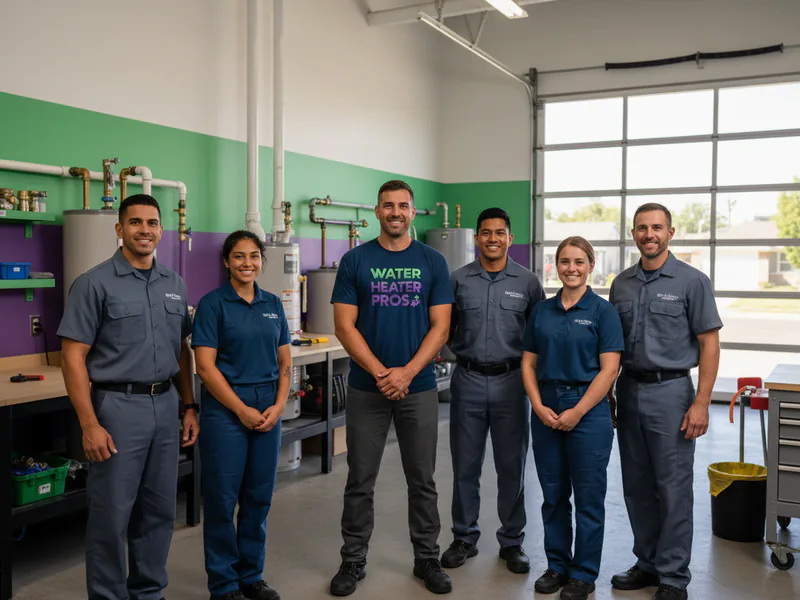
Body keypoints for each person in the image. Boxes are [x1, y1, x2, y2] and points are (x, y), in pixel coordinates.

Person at [58, 194, 199, 600]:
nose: (145, 230)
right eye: (135, 222)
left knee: (157, 512)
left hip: (166, 405)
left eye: (152, 223)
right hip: (117, 409)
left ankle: (149, 593)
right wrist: (89, 423)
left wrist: (189, 406)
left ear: (161, 229)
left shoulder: (175, 284)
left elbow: (182, 350)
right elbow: (73, 358)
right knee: (111, 516)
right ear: (119, 230)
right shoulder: (93, 283)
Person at [328, 180, 454, 596]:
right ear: (377, 212)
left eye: (403, 205)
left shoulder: (433, 261)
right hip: (367, 388)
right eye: (388, 206)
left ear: (413, 212)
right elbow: (344, 326)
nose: (396, 212)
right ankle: (353, 560)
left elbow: (441, 327)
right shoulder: (355, 260)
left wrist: (406, 373)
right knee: (360, 478)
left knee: (422, 479)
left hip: (417, 387)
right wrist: (383, 372)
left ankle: (427, 558)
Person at [609, 203, 722, 600]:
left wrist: (702, 402)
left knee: (672, 487)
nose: (648, 234)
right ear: (634, 234)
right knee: (637, 486)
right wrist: (608, 394)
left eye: (656, 227)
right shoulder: (621, 284)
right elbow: (610, 348)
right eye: (641, 228)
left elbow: (709, 343)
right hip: (629, 388)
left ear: (671, 233)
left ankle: (673, 576)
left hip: (672, 392)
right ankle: (648, 563)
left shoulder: (693, 281)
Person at [441, 207, 544, 574]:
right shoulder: (457, 280)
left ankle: (512, 541)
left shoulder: (529, 283)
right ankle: (464, 537)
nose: (493, 239)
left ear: (510, 238)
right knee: (464, 464)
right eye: (486, 232)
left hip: (512, 383)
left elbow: (538, 336)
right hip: (467, 379)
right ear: (476, 238)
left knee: (511, 466)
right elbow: (444, 328)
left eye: (500, 232)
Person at [521, 236, 624, 600]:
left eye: (579, 262)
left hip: (589, 409)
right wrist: (537, 404)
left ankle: (583, 573)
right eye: (564, 261)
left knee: (589, 496)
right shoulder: (542, 311)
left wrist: (577, 411)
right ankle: (557, 565)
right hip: (546, 405)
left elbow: (610, 369)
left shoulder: (603, 312)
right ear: (555, 266)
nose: (571, 268)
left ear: (591, 266)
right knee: (553, 495)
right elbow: (529, 362)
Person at [192, 230, 292, 600]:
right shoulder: (212, 304)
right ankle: (223, 583)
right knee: (221, 498)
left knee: (259, 496)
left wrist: (279, 405)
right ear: (226, 262)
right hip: (226, 409)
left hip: (268, 404)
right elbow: (205, 367)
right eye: (238, 256)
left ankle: (251, 575)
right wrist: (241, 409)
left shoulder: (273, 303)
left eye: (253, 256)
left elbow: (285, 360)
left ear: (262, 261)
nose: (247, 263)